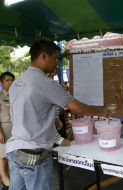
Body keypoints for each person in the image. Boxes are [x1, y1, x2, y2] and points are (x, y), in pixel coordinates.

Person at [6, 39, 111, 190]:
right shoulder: (45, 83)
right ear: (44, 56)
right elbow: (78, 109)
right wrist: (101, 111)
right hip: (34, 152)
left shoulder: (18, 82)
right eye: (55, 58)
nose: (56, 63)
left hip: (15, 150)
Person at [0, 72, 15, 189]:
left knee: (12, 154)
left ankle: (11, 177)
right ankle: (4, 179)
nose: (10, 82)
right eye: (7, 80)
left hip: (15, 128)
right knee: (2, 155)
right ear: (2, 82)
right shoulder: (0, 96)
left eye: (12, 80)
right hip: (4, 128)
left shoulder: (15, 95)